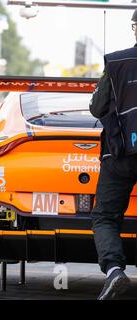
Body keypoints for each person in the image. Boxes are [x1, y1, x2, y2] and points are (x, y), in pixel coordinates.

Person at [89, 9, 137, 300]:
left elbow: (97, 107)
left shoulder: (117, 62)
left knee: (105, 217)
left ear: (135, 28)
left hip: (120, 154)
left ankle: (115, 272)